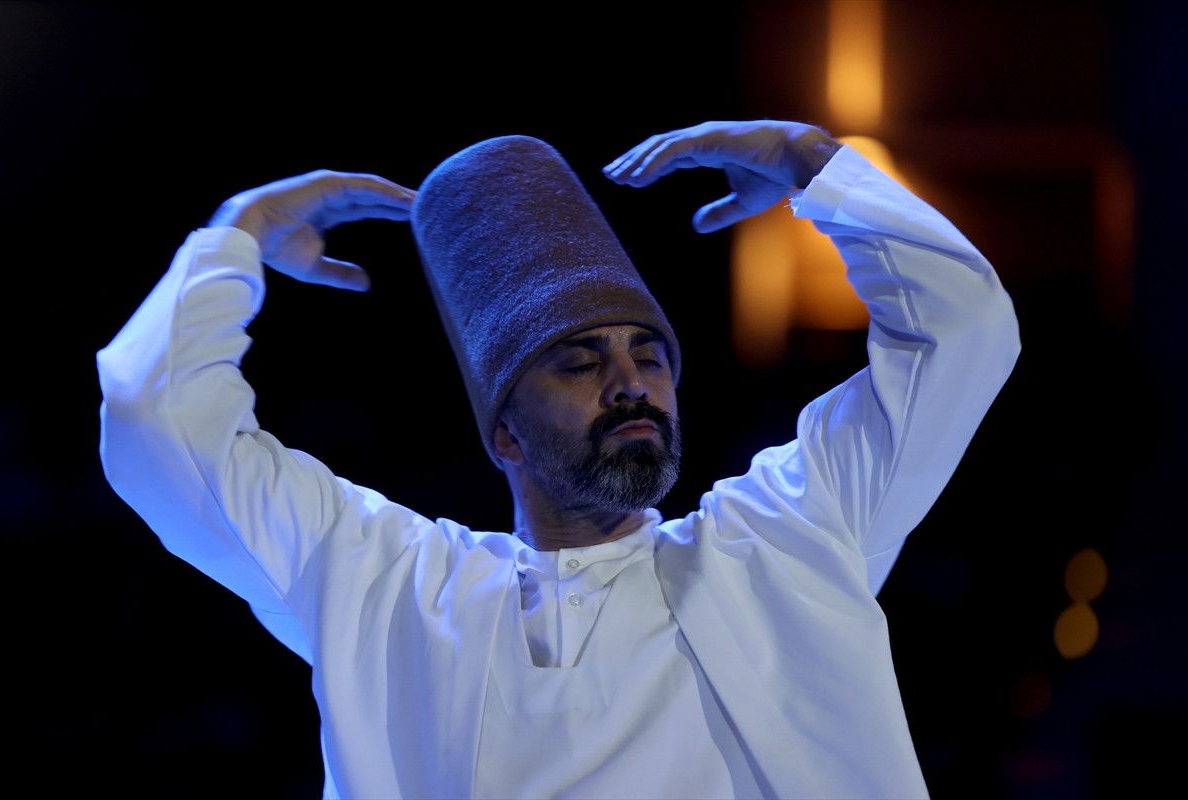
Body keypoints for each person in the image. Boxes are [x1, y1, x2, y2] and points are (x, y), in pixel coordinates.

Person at [97, 120, 1020, 799]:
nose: (630, 385)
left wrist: (812, 164)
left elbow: (963, 327)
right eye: (579, 362)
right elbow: (158, 422)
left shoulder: (786, 538)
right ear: (504, 432)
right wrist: (240, 234)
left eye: (649, 356)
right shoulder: (390, 586)